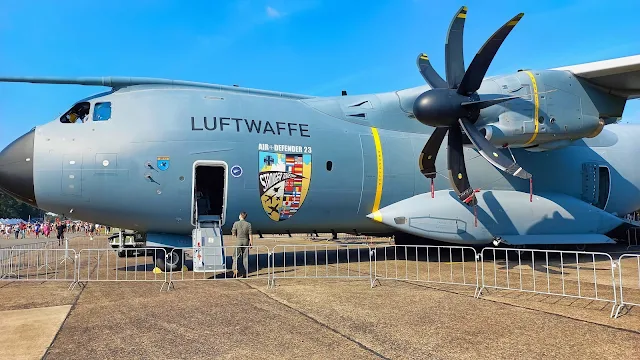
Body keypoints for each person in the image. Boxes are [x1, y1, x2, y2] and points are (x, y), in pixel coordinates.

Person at [231, 211, 253, 278]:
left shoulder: (236, 223)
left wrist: (235, 234)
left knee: (235, 256)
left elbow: (233, 233)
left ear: (240, 215)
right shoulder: (248, 224)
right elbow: (250, 234)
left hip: (238, 241)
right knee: (245, 257)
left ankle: (235, 270)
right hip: (246, 241)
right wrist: (251, 243)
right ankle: (245, 272)